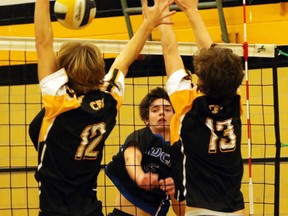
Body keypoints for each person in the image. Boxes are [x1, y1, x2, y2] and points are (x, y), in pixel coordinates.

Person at [31, 0, 175, 215]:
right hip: (90, 209)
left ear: (64, 71)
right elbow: (124, 60)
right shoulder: (109, 99)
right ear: (99, 70)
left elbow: (44, 42)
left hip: (54, 210)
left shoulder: (59, 100)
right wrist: (148, 23)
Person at [159, 0, 245, 215]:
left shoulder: (188, 102)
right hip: (236, 209)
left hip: (201, 210)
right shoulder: (235, 103)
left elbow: (170, 50)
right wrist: (192, 11)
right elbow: (213, 57)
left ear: (202, 78)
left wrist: (161, 10)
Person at [105, 87, 185, 216]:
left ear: (176, 117)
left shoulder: (181, 150)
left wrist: (175, 192)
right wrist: (140, 176)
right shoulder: (140, 136)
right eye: (155, 110)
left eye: (167, 109)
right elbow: (131, 158)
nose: (162, 113)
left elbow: (181, 212)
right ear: (146, 120)